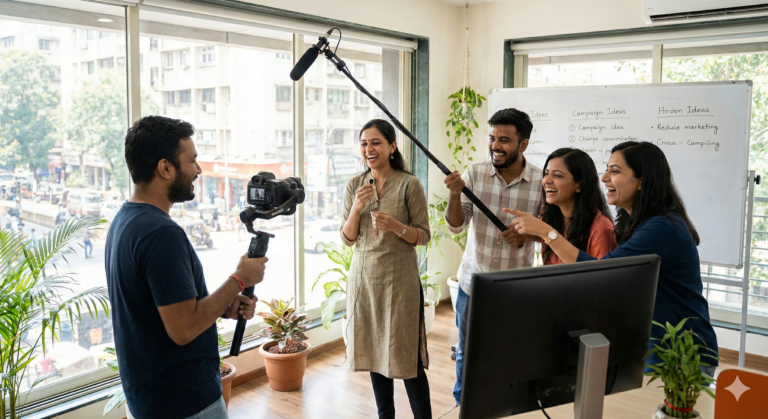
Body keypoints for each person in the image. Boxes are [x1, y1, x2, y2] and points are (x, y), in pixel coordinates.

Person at [506, 141, 718, 377]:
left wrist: (547, 233)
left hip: (681, 353)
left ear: (642, 181)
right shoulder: (637, 223)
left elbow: (602, 273)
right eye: (606, 169)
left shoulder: (661, 228)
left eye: (615, 171)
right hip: (657, 347)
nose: (604, 177)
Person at [105, 116, 267, 419]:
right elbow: (183, 329)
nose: (198, 170)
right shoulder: (160, 234)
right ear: (165, 168)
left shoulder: (125, 221)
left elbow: (165, 311)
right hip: (184, 403)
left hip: (150, 399)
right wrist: (239, 279)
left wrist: (223, 306)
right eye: (191, 160)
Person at [443, 108, 543, 405]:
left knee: (509, 353)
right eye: (492, 138)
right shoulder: (474, 173)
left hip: (514, 289)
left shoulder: (540, 181)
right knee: (466, 352)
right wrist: (453, 194)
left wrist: (527, 234)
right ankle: (465, 406)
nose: (495, 145)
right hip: (472, 285)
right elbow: (457, 226)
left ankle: (503, 406)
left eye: (505, 139)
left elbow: (550, 233)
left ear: (523, 144)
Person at [341, 119, 432, 419]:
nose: (369, 149)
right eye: (364, 143)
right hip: (364, 282)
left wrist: (397, 227)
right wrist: (356, 208)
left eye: (376, 142)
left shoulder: (409, 184)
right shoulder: (354, 185)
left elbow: (423, 236)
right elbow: (347, 238)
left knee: (407, 359)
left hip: (400, 283)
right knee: (374, 355)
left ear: (392, 146)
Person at [539, 148, 616, 265]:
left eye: (557, 175)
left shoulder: (601, 228)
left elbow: (602, 277)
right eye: (546, 174)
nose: (546, 180)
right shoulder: (549, 219)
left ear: (579, 185)